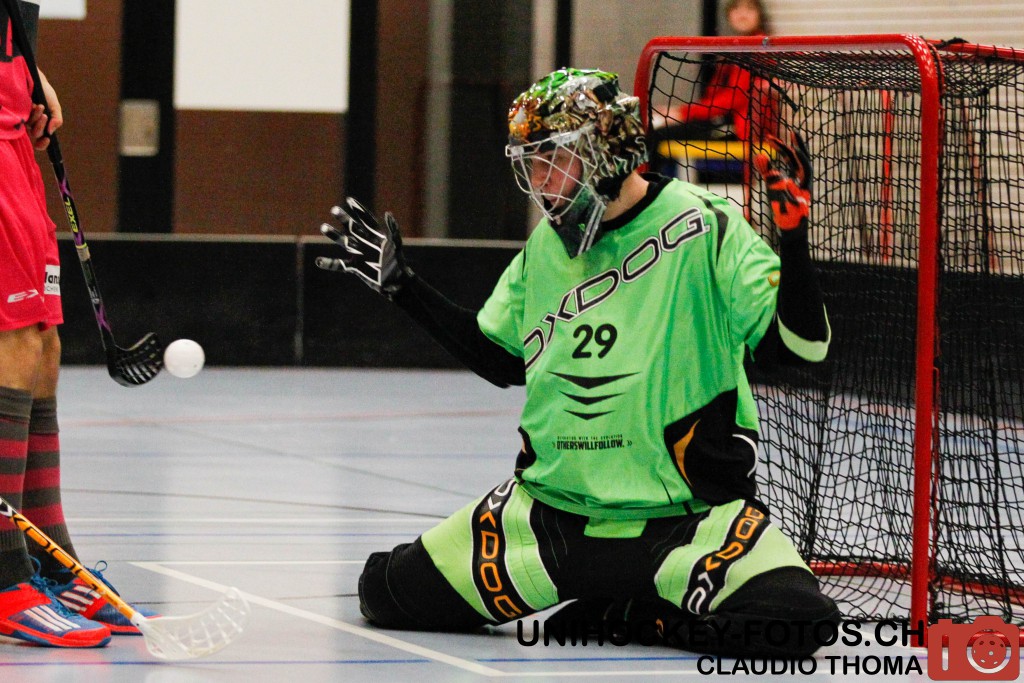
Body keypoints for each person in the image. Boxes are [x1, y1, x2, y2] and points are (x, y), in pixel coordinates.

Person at [316, 67, 838, 657]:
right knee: (385, 590)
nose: (541, 183)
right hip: (546, 520)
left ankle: (632, 615)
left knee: (798, 622)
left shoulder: (707, 224)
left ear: (609, 152)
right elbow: (501, 359)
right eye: (531, 165)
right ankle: (625, 600)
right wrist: (405, 288)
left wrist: (795, 242)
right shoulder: (546, 244)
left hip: (688, 522)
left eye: (554, 160)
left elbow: (801, 349)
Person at [0, 0, 150, 648]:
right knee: (9, 337)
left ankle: (48, 557)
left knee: (42, 340)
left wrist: (29, 67)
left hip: (11, 111)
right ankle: (4, 575)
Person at [649, 0, 778, 176]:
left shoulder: (757, 47)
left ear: (759, 15)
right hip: (726, 121)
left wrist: (683, 113)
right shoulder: (737, 47)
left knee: (659, 135)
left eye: (749, 9)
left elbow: (735, 98)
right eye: (736, 8)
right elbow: (717, 97)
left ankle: (647, 187)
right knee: (658, 131)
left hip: (740, 129)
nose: (742, 14)